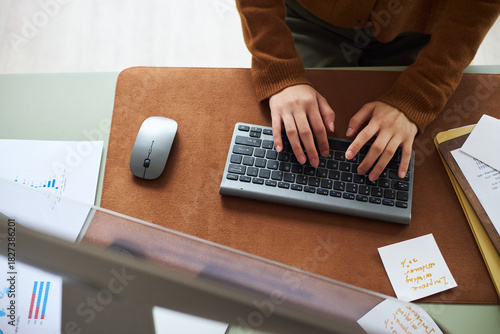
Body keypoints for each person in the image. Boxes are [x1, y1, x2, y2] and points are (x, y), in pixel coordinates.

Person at [236, 0, 500, 181]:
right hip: (310, 17)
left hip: (418, 33)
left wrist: (419, 95)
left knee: (402, 161)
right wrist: (280, 71)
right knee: (297, 142)